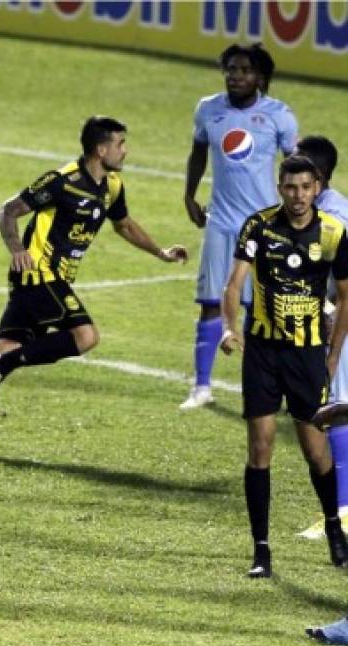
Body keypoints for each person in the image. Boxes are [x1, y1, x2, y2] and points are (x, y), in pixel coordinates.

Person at [0, 116, 188, 454]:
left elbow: (125, 225)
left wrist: (161, 252)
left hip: (51, 280)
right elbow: (7, 211)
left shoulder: (112, 186)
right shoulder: (62, 181)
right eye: (121, 144)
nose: (125, 151)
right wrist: (17, 250)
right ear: (101, 149)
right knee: (85, 337)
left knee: (4, 358)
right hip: (39, 273)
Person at [219, 156, 348, 578]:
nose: (297, 196)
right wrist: (229, 328)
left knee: (315, 451)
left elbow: (346, 298)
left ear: (317, 188)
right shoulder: (258, 227)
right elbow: (234, 283)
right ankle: (261, 550)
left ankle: (334, 528)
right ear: (281, 187)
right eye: (290, 187)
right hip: (262, 354)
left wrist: (331, 355)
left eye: (305, 187)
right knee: (260, 450)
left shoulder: (332, 232)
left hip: (307, 356)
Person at [181, 43, 299, 411]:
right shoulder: (208, 109)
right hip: (221, 222)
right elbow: (198, 151)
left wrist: (294, 215)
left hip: (264, 227)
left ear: (261, 78)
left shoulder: (280, 116)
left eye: (245, 70)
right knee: (212, 304)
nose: (236, 76)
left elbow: (296, 167)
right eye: (231, 69)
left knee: (261, 311)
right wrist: (189, 194)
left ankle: (258, 387)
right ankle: (201, 387)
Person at [295, 137, 348, 535]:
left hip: (339, 322)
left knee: (336, 410)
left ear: (320, 177)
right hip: (326, 318)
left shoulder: (336, 218)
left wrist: (330, 322)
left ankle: (344, 511)